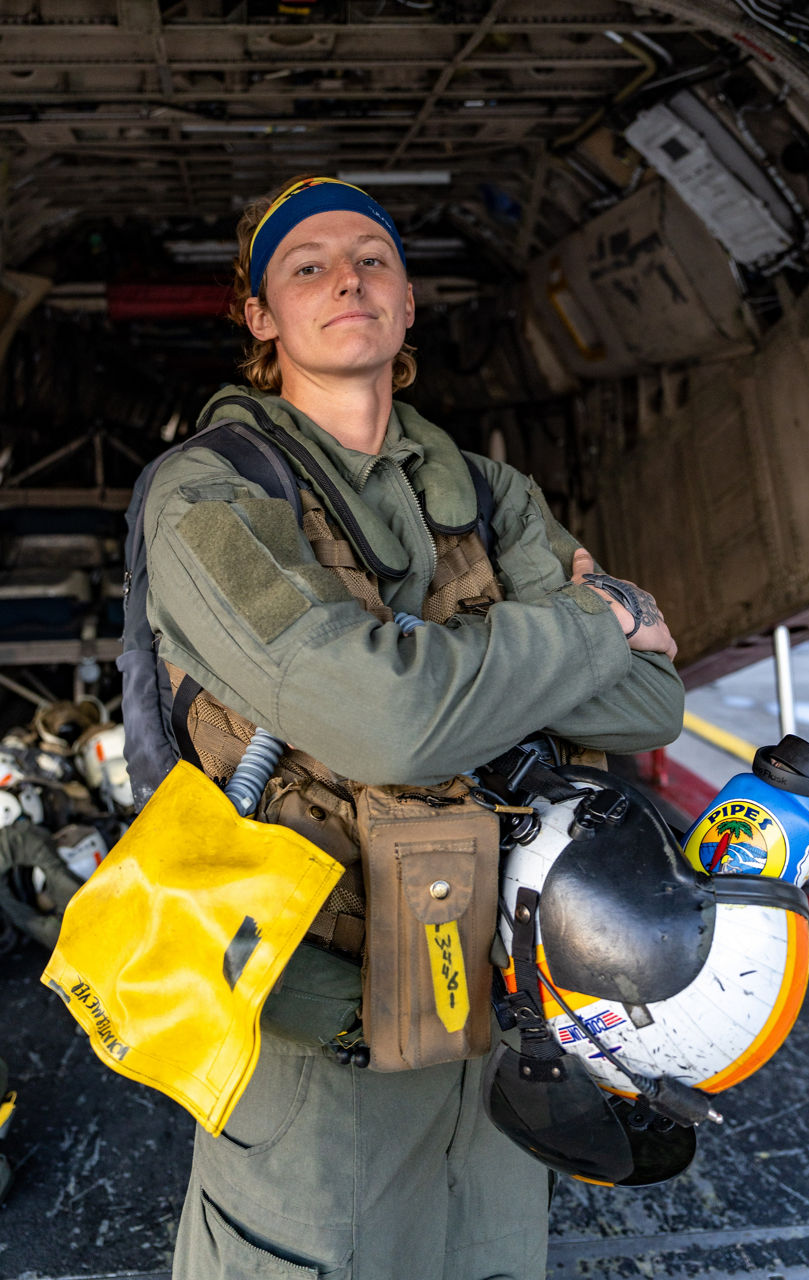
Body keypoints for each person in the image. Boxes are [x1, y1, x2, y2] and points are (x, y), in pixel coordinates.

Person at [142, 175, 683, 1280]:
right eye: (307, 264)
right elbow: (385, 720)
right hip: (315, 1050)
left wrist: (446, 676)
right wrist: (598, 619)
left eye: (373, 258)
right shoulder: (209, 495)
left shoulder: (489, 495)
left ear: (407, 306)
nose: (347, 277)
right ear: (259, 317)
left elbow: (649, 702)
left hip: (492, 1030)